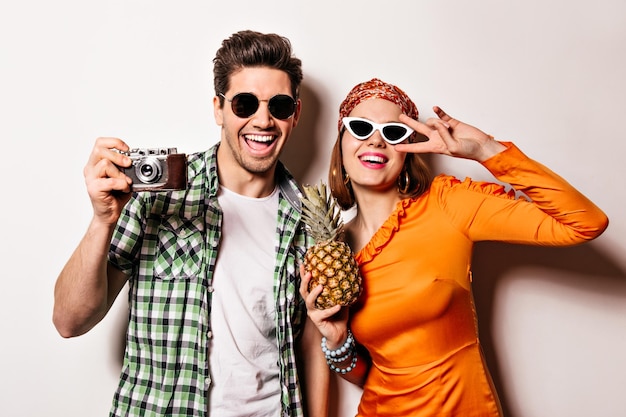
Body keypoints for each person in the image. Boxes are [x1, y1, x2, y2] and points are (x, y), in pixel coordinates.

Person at [53, 30, 329, 417]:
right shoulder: (159, 193)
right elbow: (70, 321)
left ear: (295, 115)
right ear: (218, 108)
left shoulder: (310, 220)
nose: (263, 120)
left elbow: (310, 348)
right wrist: (102, 222)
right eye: (245, 104)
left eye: (279, 106)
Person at [299, 78, 609, 416]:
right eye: (360, 128)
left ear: (409, 147)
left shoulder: (448, 204)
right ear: (340, 141)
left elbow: (584, 222)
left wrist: (486, 149)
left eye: (393, 133)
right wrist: (336, 339)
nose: (375, 140)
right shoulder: (336, 251)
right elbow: (369, 375)